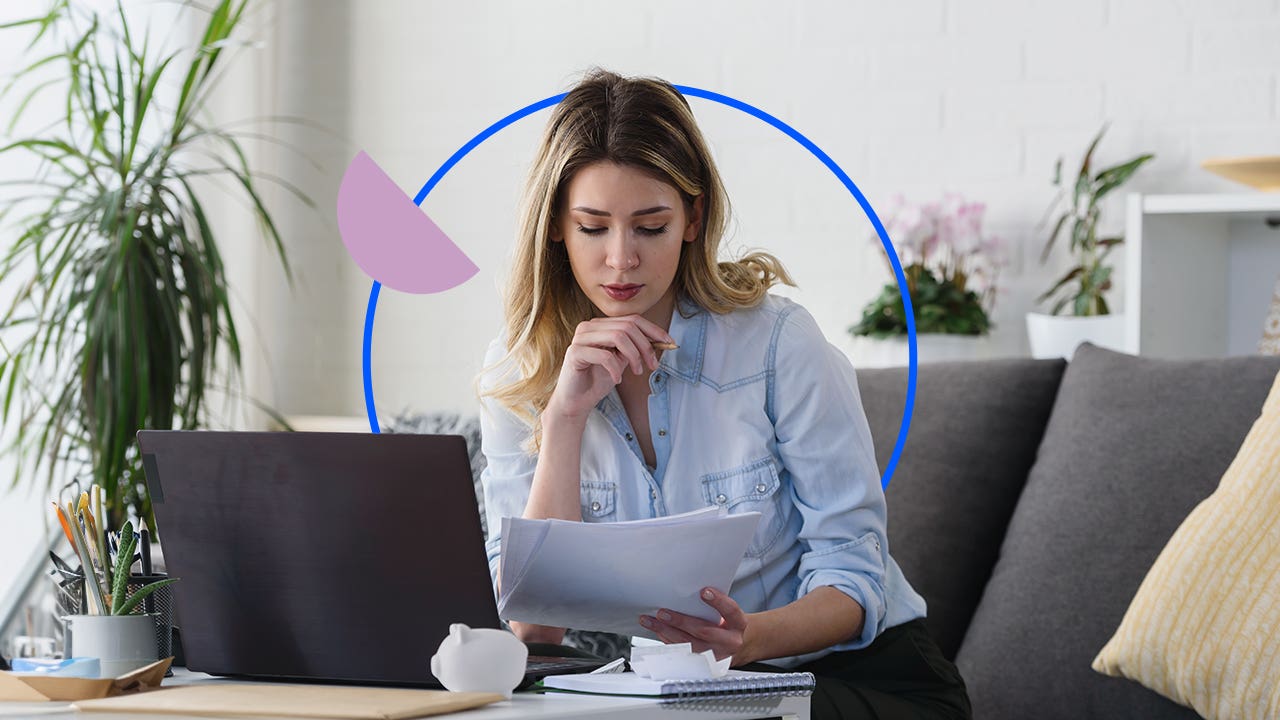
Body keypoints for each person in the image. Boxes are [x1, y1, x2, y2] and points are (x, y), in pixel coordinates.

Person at [476, 68, 971, 719]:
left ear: (693, 216)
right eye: (593, 227)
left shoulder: (778, 344)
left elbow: (854, 576)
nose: (620, 259)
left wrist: (747, 640)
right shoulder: (519, 371)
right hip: (682, 692)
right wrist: (565, 421)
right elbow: (532, 629)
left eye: (649, 227)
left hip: (858, 678)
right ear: (557, 229)